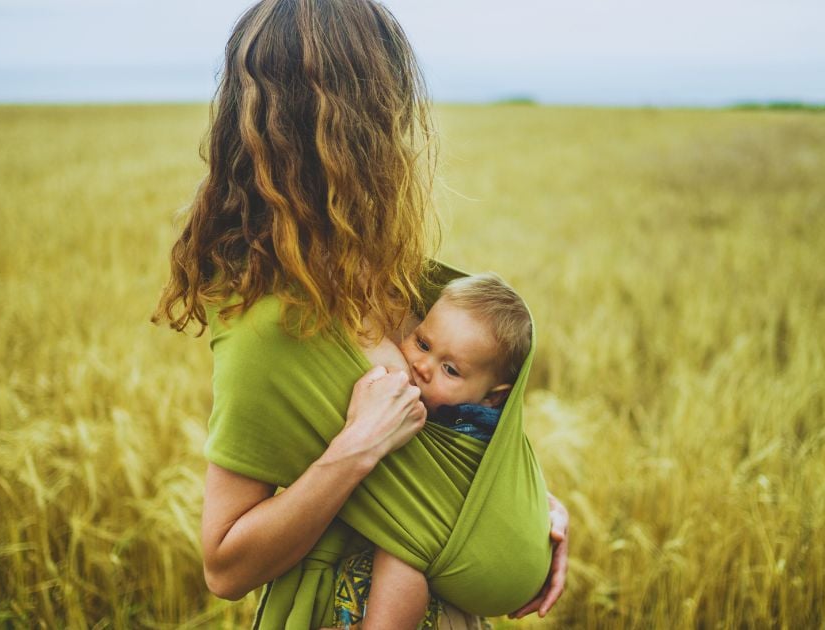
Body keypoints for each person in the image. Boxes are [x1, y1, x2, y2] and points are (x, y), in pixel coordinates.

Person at [152, 1, 569, 628]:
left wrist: (522, 508)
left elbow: (454, 444)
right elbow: (224, 566)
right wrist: (355, 448)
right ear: (368, 122)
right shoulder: (270, 328)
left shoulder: (399, 279)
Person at [336, 274, 532, 629]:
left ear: (491, 397)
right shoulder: (426, 385)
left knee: (406, 547)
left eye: (450, 369)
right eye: (422, 343)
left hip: (432, 551)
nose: (422, 368)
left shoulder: (472, 430)